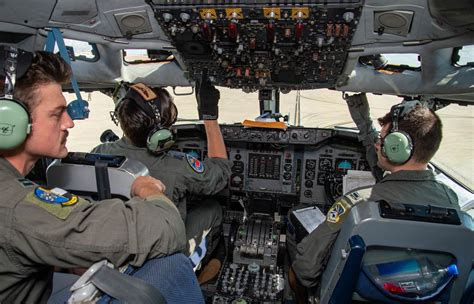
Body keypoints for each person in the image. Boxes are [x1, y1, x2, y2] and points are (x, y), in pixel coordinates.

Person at [0, 50, 200, 303]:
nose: (70, 123)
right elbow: (167, 229)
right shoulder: (16, 205)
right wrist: (146, 188)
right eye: (56, 113)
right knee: (170, 267)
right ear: (8, 123)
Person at [286, 93, 459, 301]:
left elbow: (307, 269)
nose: (377, 145)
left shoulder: (359, 204)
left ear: (396, 148)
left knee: (296, 228)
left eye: (382, 140)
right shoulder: (451, 202)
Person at [91, 79, 232, 283]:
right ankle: (189, 274)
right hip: (160, 256)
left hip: (115, 249)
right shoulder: (176, 165)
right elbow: (219, 174)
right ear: (160, 134)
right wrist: (210, 119)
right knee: (213, 209)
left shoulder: (99, 153)